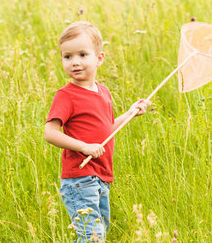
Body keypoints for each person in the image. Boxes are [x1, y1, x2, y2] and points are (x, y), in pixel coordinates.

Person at [44, 21, 151, 242]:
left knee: (99, 233)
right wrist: (84, 147)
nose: (75, 62)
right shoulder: (66, 95)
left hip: (101, 176)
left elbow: (106, 130)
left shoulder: (103, 92)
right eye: (67, 56)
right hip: (80, 178)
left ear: (99, 58)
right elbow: (50, 133)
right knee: (91, 236)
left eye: (83, 55)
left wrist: (131, 113)